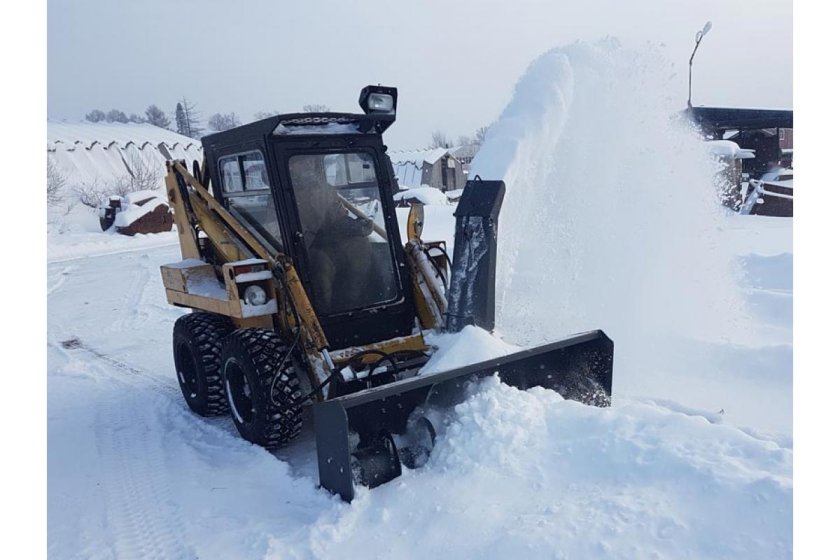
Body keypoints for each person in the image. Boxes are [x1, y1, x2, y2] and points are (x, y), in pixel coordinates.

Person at [290, 156, 375, 314]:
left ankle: (353, 305)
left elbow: (337, 215)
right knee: (320, 263)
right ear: (292, 166)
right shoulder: (282, 193)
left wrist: (355, 227)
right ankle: (324, 314)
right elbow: (279, 233)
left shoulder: (324, 189)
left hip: (327, 241)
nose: (308, 164)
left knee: (361, 245)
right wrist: (315, 229)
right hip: (301, 247)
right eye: (302, 161)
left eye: (310, 161)